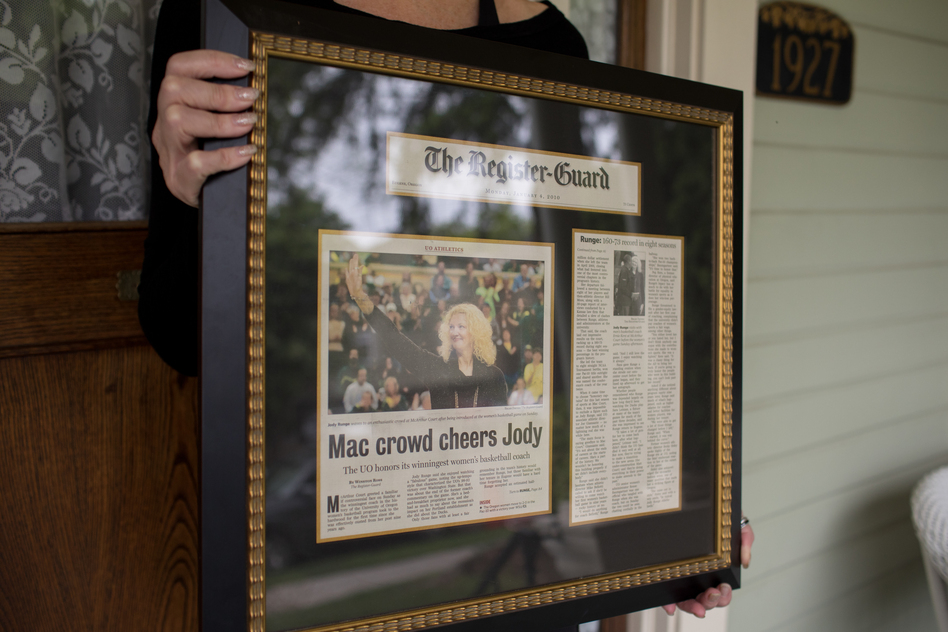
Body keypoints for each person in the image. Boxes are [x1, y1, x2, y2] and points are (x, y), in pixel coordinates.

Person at [139, 0, 747, 619]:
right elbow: (181, 336)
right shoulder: (225, 16)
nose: (453, 327)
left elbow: (613, 351)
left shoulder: (546, 37)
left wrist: (688, 539)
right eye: (449, 321)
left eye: (463, 320)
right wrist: (200, 200)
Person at [345, 254, 507, 409]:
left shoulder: (494, 376)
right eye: (451, 327)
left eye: (461, 327)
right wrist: (360, 297)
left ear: (475, 332)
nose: (454, 332)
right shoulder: (437, 368)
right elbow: (395, 339)